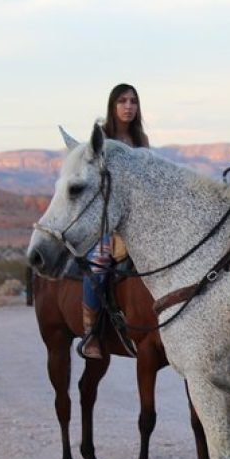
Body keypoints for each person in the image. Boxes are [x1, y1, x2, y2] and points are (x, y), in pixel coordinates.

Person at [80, 83, 150, 359]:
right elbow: (96, 188)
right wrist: (107, 232)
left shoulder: (140, 140)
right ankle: (92, 333)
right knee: (98, 263)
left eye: (133, 101)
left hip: (135, 220)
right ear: (113, 105)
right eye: (122, 101)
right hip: (106, 222)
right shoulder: (102, 141)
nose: (129, 106)